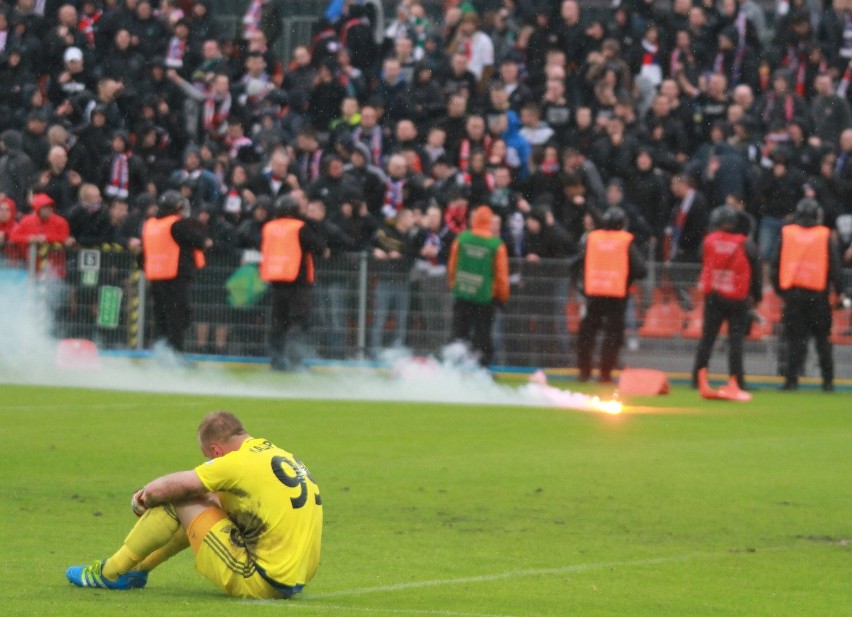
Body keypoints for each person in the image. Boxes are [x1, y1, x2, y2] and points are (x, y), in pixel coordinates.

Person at [66, 410, 322, 599]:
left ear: (216, 450)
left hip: (262, 581)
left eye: (207, 457)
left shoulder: (235, 463)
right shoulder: (279, 454)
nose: (209, 462)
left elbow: (164, 489)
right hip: (294, 577)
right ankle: (137, 571)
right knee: (207, 501)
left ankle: (110, 572)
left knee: (180, 496)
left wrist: (143, 496)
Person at [771, 199, 847, 392]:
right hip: (818, 296)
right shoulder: (824, 235)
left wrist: (781, 291)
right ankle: (828, 382)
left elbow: (775, 265)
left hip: (793, 295)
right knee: (822, 340)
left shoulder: (787, 233)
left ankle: (791, 380)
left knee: (794, 340)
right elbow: (834, 267)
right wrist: (840, 291)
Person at [691, 206, 762, 390]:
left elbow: (701, 258)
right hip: (738, 298)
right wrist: (757, 295)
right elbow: (756, 271)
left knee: (707, 339)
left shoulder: (708, 241)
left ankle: (697, 377)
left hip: (714, 296)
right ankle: (737, 380)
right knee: (736, 340)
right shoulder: (745, 244)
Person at [575, 207, 648, 383]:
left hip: (594, 292)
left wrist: (584, 284)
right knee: (612, 335)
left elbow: (579, 263)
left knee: (587, 333)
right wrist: (627, 277)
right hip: (616, 294)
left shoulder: (592, 239)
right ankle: (605, 373)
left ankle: (584, 372)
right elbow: (641, 270)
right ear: (623, 224)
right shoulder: (625, 240)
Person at [142, 190, 211, 362]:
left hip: (156, 278)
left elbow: (142, 255)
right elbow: (199, 241)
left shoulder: (150, 225)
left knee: (162, 319)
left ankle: (162, 355)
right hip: (175, 277)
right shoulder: (177, 224)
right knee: (178, 318)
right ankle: (175, 356)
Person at [260, 195, 327, 371]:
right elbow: (319, 248)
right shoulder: (299, 227)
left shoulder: (269, 227)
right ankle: (294, 361)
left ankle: (276, 361)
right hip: (298, 282)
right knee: (299, 322)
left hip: (276, 280)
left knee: (278, 322)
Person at [447, 205, 510, 367]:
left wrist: (455, 285)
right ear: (489, 221)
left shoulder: (462, 238)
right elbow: (501, 276)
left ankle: (452, 369)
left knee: (458, 334)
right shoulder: (496, 244)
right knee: (482, 337)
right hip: (485, 298)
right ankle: (481, 371)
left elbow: (452, 267)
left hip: (462, 294)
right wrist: (502, 296)